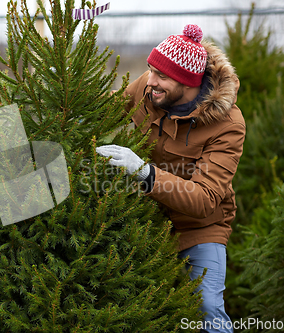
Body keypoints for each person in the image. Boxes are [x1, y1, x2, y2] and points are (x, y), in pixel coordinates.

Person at [96, 24, 245, 332]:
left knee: (206, 306)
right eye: (150, 70)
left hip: (200, 228)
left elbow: (204, 200)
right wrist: (66, 88)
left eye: (161, 76)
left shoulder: (228, 124)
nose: (150, 81)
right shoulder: (150, 89)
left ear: (188, 83)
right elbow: (104, 109)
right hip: (146, 218)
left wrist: (144, 172)